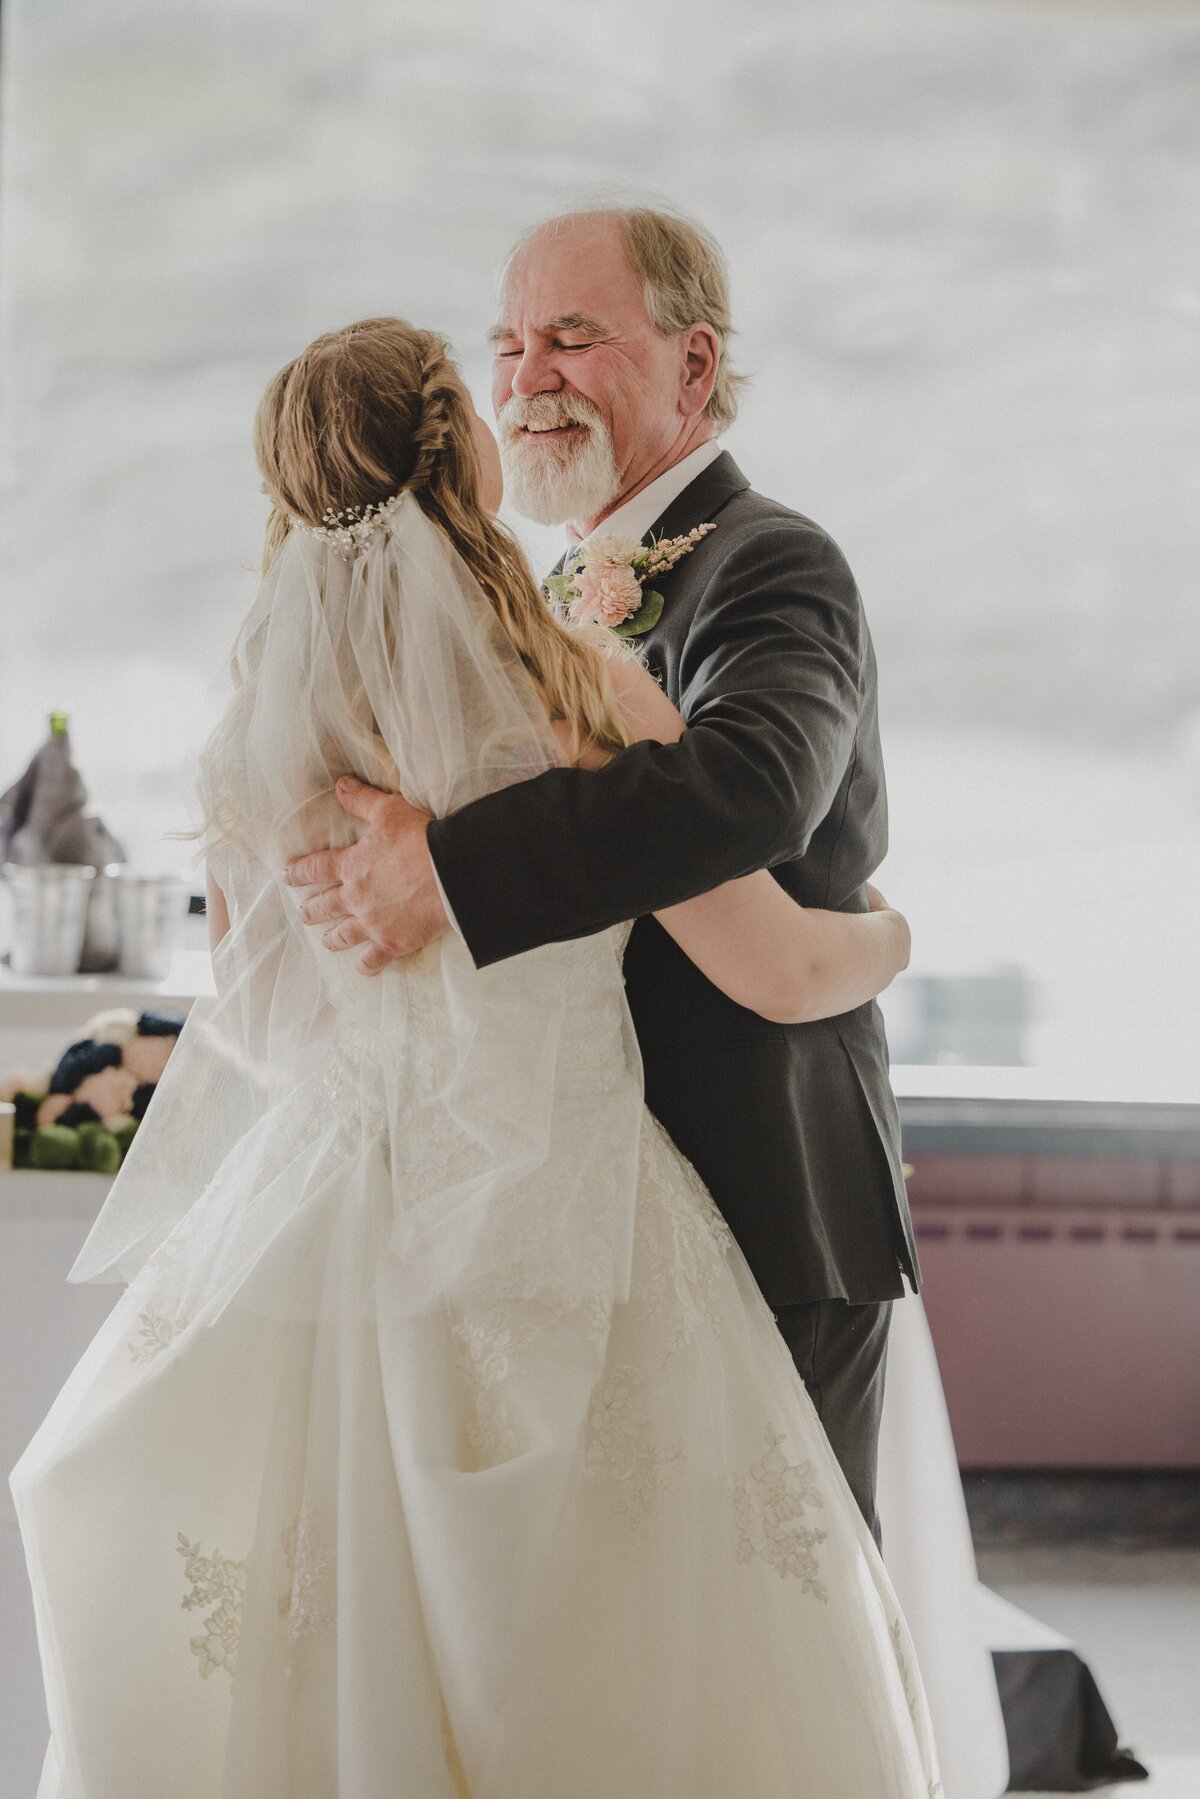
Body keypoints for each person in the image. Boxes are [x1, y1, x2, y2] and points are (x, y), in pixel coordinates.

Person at [11, 316, 939, 1797]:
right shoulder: (587, 696)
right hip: (581, 1214)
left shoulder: (257, 736)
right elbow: (776, 971)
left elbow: (265, 1033)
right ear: (468, 450)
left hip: (341, 1217)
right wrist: (890, 937)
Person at [285, 206, 918, 1540]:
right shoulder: (548, 586)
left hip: (763, 1188)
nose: (527, 379)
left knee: (781, 1627)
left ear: (695, 368)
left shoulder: (772, 561)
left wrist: (447, 870)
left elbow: (753, 788)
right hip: (586, 1196)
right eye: (510, 345)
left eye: (571, 339)